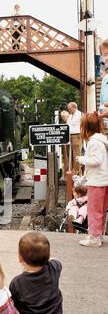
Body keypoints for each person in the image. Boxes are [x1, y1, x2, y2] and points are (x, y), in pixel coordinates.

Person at [9, 232, 64, 314]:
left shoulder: (17, 282)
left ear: (20, 258)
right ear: (48, 256)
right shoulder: (55, 267)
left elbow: (13, 307)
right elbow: (55, 260)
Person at [76, 113, 108, 247]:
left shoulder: (93, 142)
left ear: (86, 127)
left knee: (94, 210)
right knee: (101, 210)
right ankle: (98, 235)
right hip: (104, 180)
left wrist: (81, 159)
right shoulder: (102, 140)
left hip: (97, 182)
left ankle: (94, 238)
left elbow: (96, 161)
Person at [67, 102, 82, 174]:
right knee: (73, 154)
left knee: (77, 154)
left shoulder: (80, 115)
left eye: (70, 109)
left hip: (77, 135)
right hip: (70, 136)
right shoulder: (70, 116)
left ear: (74, 107)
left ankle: (78, 171)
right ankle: (75, 171)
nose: (69, 110)